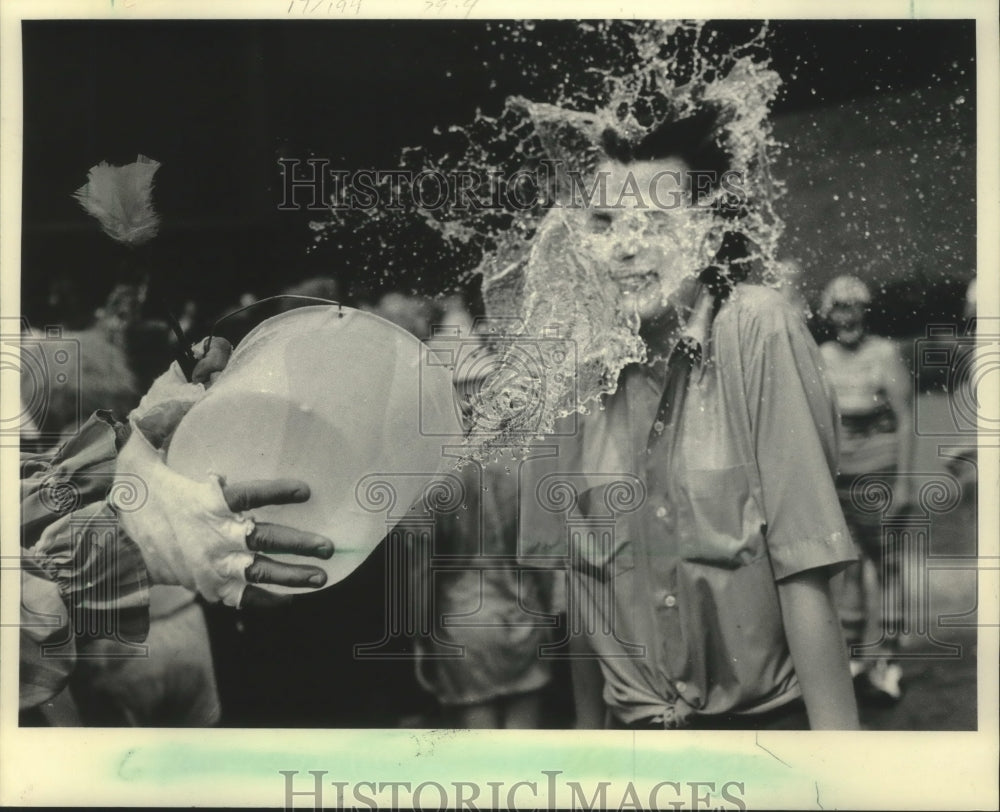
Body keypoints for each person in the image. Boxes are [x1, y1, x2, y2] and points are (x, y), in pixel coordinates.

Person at [517, 114, 860, 730]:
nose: (625, 245)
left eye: (654, 222)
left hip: (762, 735)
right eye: (604, 223)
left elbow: (805, 566)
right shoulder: (563, 359)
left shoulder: (756, 328)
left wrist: (840, 769)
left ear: (704, 233)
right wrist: (585, 748)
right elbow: (580, 594)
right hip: (631, 749)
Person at [20, 337, 334, 722]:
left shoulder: (57, 447)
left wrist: (149, 423)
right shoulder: (89, 442)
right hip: (172, 624)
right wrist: (131, 534)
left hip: (130, 638)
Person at [818, 275, 914, 701]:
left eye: (855, 305)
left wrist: (906, 483)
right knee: (849, 568)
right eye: (839, 306)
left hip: (881, 477)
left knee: (888, 567)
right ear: (828, 313)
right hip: (838, 481)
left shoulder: (884, 352)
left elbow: (907, 417)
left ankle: (889, 659)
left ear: (865, 310)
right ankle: (855, 657)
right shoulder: (819, 356)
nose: (847, 314)